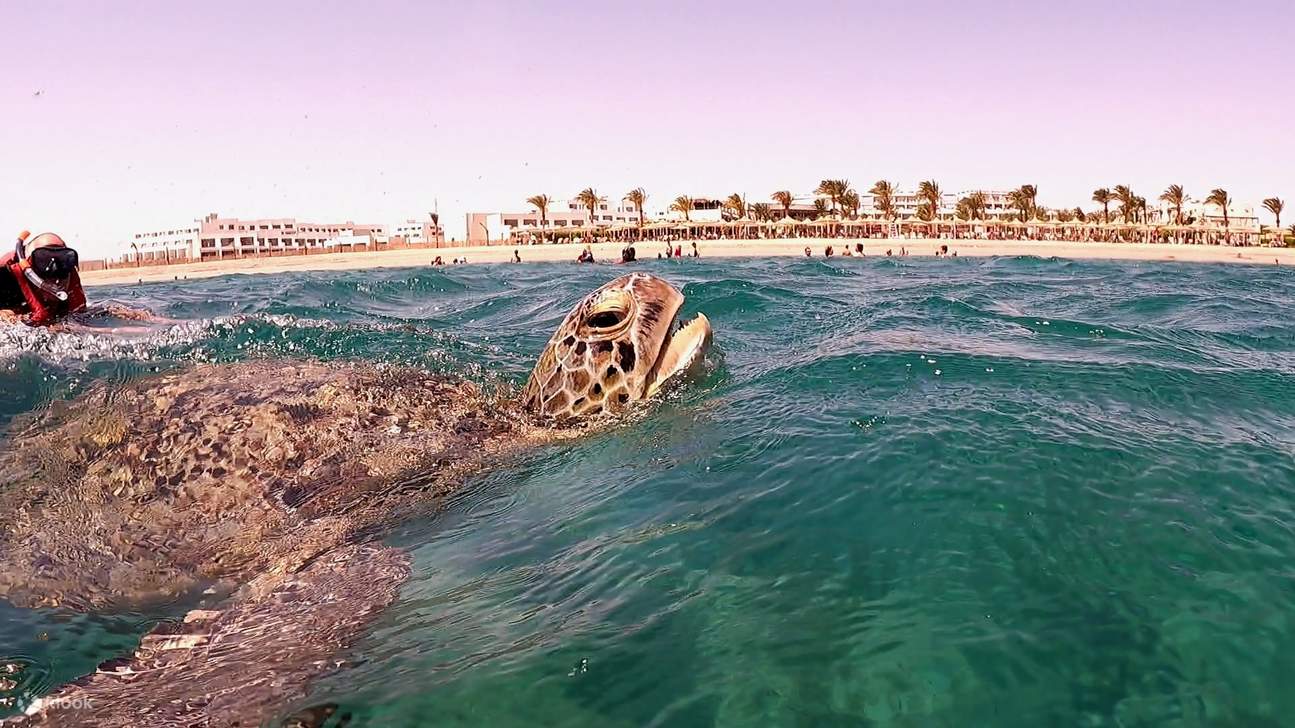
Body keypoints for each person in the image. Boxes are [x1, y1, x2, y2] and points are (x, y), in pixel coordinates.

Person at [0, 231, 87, 326]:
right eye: (43, 261)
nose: (56, 278)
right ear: (27, 266)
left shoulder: (68, 280)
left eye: (63, 261)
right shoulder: (6, 281)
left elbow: (81, 315)